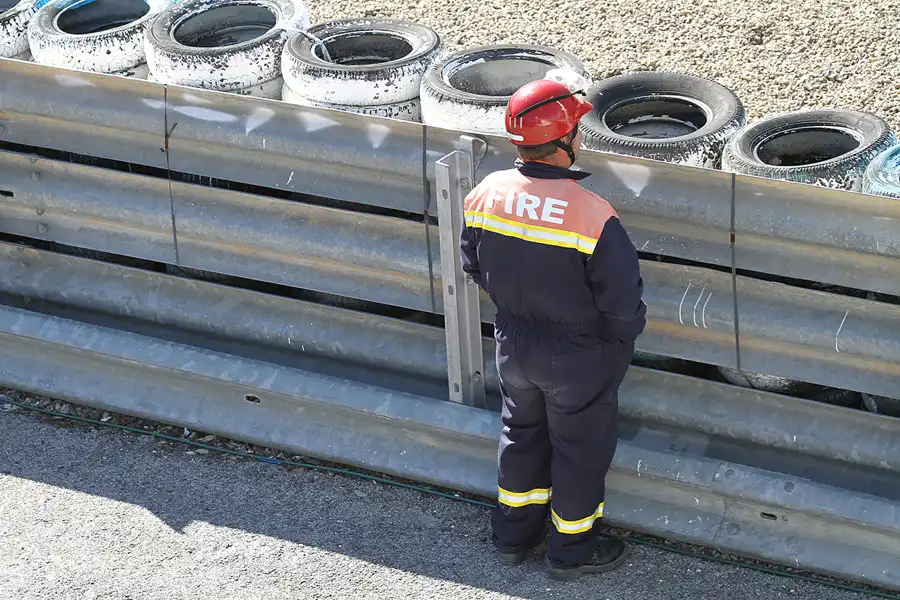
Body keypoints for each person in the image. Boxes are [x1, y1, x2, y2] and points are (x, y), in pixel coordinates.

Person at [458, 75, 647, 581]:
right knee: (578, 450)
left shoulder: (487, 192)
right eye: (577, 129)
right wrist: (616, 343)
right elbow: (624, 303)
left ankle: (512, 536)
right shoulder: (592, 214)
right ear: (564, 140)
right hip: (577, 353)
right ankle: (571, 552)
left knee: (520, 435)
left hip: (514, 341)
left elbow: (471, 263)